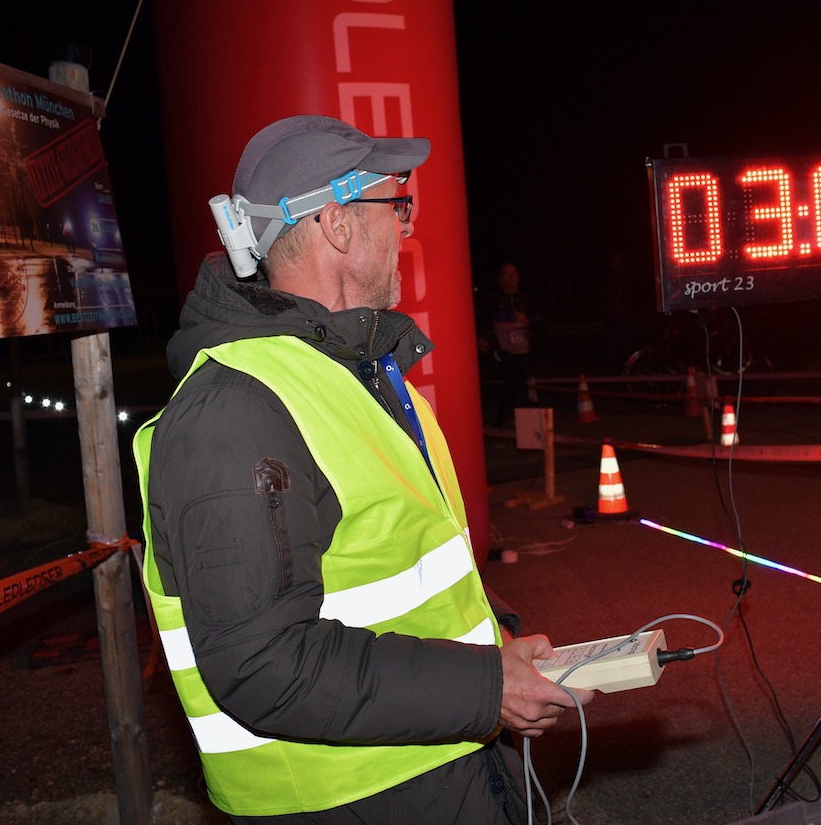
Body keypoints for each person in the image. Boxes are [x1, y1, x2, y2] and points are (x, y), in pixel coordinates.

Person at [133, 115, 591, 823]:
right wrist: (481, 689)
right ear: (339, 225)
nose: (405, 228)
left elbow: (395, 568)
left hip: (443, 771)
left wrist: (493, 644)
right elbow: (263, 663)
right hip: (348, 801)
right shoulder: (234, 411)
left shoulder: (360, 375)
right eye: (395, 205)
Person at [477, 261, 542, 427]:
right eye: (506, 274)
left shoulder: (528, 300)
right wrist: (480, 339)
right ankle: (499, 423)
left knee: (525, 388)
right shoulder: (492, 301)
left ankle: (525, 425)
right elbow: (478, 322)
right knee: (509, 385)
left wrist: (528, 321)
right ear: (500, 279)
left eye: (514, 273)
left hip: (526, 354)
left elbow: (541, 325)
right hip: (503, 353)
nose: (511, 277)